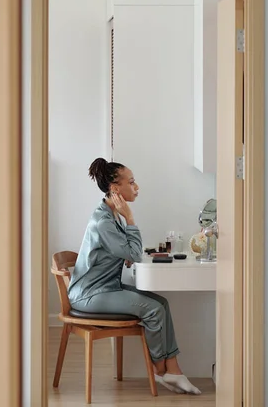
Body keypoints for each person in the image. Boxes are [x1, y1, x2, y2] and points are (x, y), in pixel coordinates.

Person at [68, 157, 201, 395]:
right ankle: (161, 370)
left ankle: (173, 369)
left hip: (104, 288)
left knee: (161, 303)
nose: (137, 187)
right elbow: (135, 254)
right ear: (115, 189)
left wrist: (124, 252)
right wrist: (130, 219)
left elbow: (128, 252)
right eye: (132, 182)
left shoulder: (108, 215)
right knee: (153, 309)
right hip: (90, 295)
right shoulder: (105, 220)